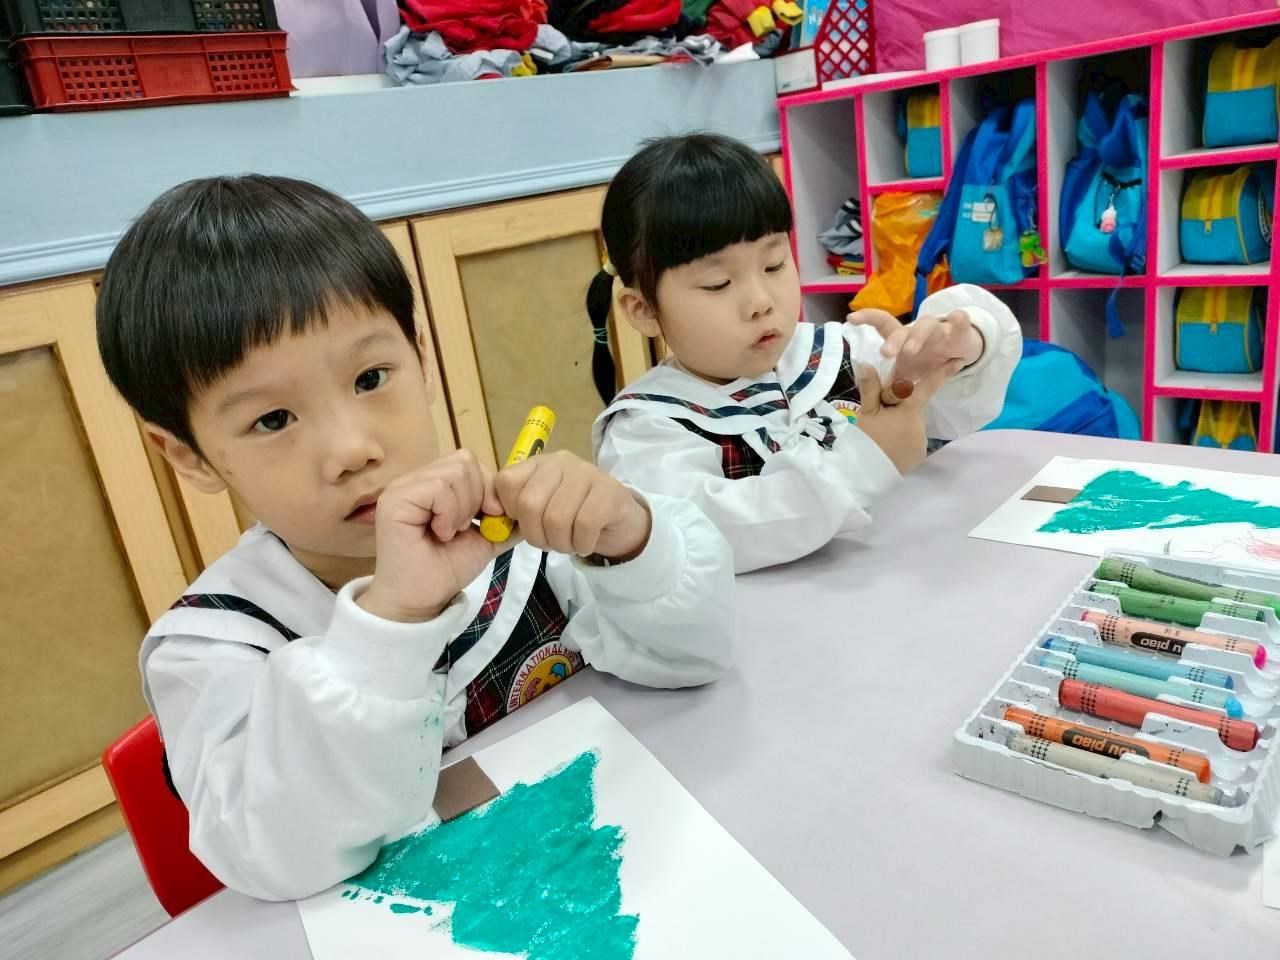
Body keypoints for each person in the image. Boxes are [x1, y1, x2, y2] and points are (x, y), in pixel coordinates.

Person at [96, 175, 735, 901]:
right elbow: (273, 856)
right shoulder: (215, 645)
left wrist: (631, 541)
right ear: (187, 455)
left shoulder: (516, 538)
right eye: (272, 420)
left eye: (371, 377)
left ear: (422, 357)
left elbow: (697, 654)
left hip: (623, 866)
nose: (351, 449)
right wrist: (390, 623)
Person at [588, 133, 1022, 573]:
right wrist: (862, 462)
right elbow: (699, 537)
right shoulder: (647, 429)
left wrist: (963, 345)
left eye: (774, 264)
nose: (761, 302)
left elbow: (953, 413)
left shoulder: (838, 353)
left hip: (900, 582)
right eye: (718, 284)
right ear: (643, 310)